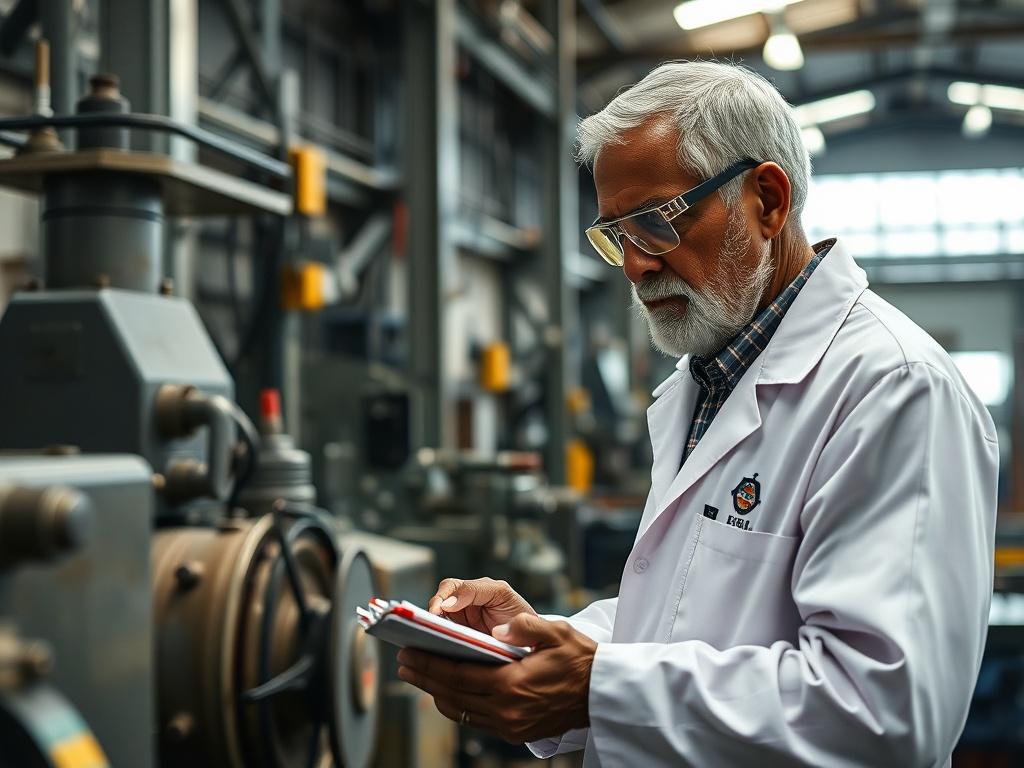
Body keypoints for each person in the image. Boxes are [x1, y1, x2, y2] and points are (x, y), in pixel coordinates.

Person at [396, 60, 998, 766]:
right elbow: (691, 621)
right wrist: (544, 645)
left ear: (767, 201)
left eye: (653, 223)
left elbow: (883, 711)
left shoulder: (892, 389)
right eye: (615, 234)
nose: (634, 266)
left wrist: (598, 685)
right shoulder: (703, 384)